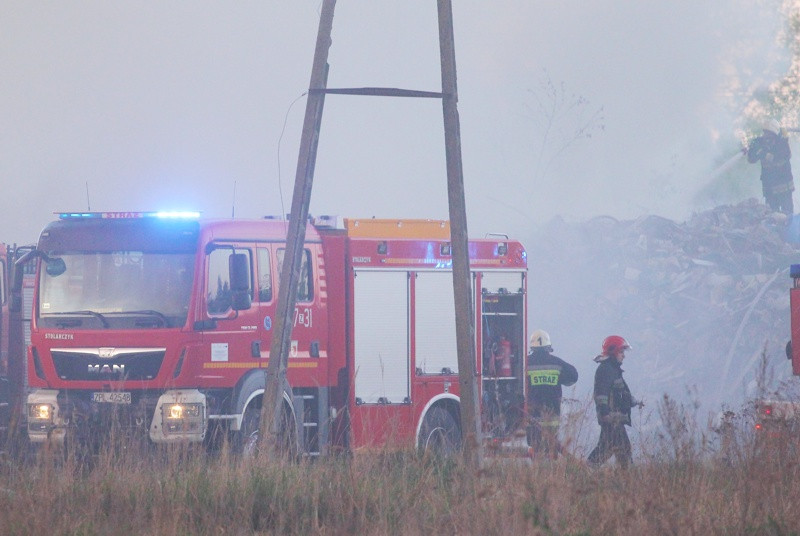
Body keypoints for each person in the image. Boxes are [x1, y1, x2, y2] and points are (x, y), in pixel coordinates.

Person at [587, 335, 642, 468]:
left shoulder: (612, 369)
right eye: (621, 352)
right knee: (619, 449)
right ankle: (626, 478)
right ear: (613, 351)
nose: (623, 356)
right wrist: (604, 410)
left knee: (610, 448)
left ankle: (588, 471)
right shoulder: (606, 370)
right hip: (611, 418)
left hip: (614, 418)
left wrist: (634, 402)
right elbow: (601, 393)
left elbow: (621, 391)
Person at [525, 329, 578, 458]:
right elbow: (573, 376)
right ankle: (551, 472)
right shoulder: (557, 363)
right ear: (548, 347)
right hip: (552, 413)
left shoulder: (525, 363)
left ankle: (538, 472)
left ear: (532, 346)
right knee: (552, 445)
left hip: (533, 415)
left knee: (535, 447)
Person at [747, 119, 794, 215]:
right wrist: (752, 149)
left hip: (784, 189)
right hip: (769, 189)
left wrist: (762, 152)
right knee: (772, 216)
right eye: (765, 132)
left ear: (775, 134)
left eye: (769, 134)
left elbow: (779, 157)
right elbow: (751, 160)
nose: (766, 136)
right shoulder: (760, 143)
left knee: (787, 215)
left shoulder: (782, 144)